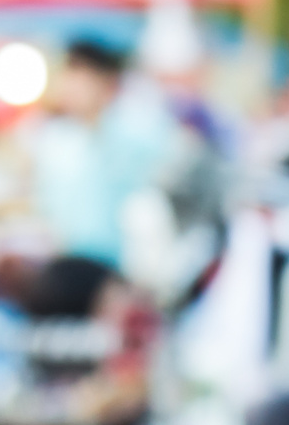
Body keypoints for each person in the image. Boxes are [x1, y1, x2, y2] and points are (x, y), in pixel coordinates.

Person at [31, 40, 180, 265]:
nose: (71, 88)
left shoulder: (141, 131)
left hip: (128, 268)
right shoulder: (56, 141)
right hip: (73, 267)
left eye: (81, 78)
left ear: (107, 83)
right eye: (68, 76)